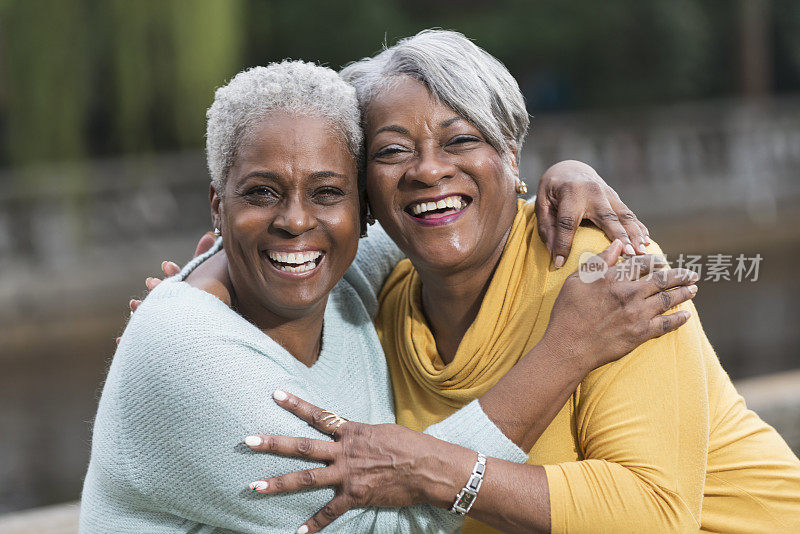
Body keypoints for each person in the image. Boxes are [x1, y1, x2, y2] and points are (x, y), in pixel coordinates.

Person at [82, 61, 697, 533]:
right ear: (219, 204)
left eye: (327, 192)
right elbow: (387, 523)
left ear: (361, 208)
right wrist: (565, 350)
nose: (297, 223)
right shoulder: (192, 356)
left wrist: (555, 176)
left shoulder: (348, 278)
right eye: (261, 193)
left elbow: (436, 217)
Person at [237, 31, 800, 534]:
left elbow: (654, 512)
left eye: (460, 141)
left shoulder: (606, 271)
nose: (427, 170)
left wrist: (429, 469)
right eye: (392, 151)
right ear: (366, 192)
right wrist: (202, 289)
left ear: (510, 153)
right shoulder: (380, 310)